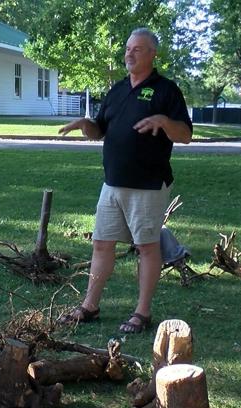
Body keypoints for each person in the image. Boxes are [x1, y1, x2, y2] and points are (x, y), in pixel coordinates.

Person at [57, 27, 192, 333]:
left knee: (146, 247)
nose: (129, 53)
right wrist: (85, 124)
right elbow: (100, 130)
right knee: (101, 244)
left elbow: (185, 135)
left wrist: (164, 121)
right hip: (112, 182)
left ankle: (142, 313)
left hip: (147, 183)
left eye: (138, 49)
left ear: (153, 54)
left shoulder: (166, 90)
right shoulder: (117, 90)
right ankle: (89, 306)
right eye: (128, 48)